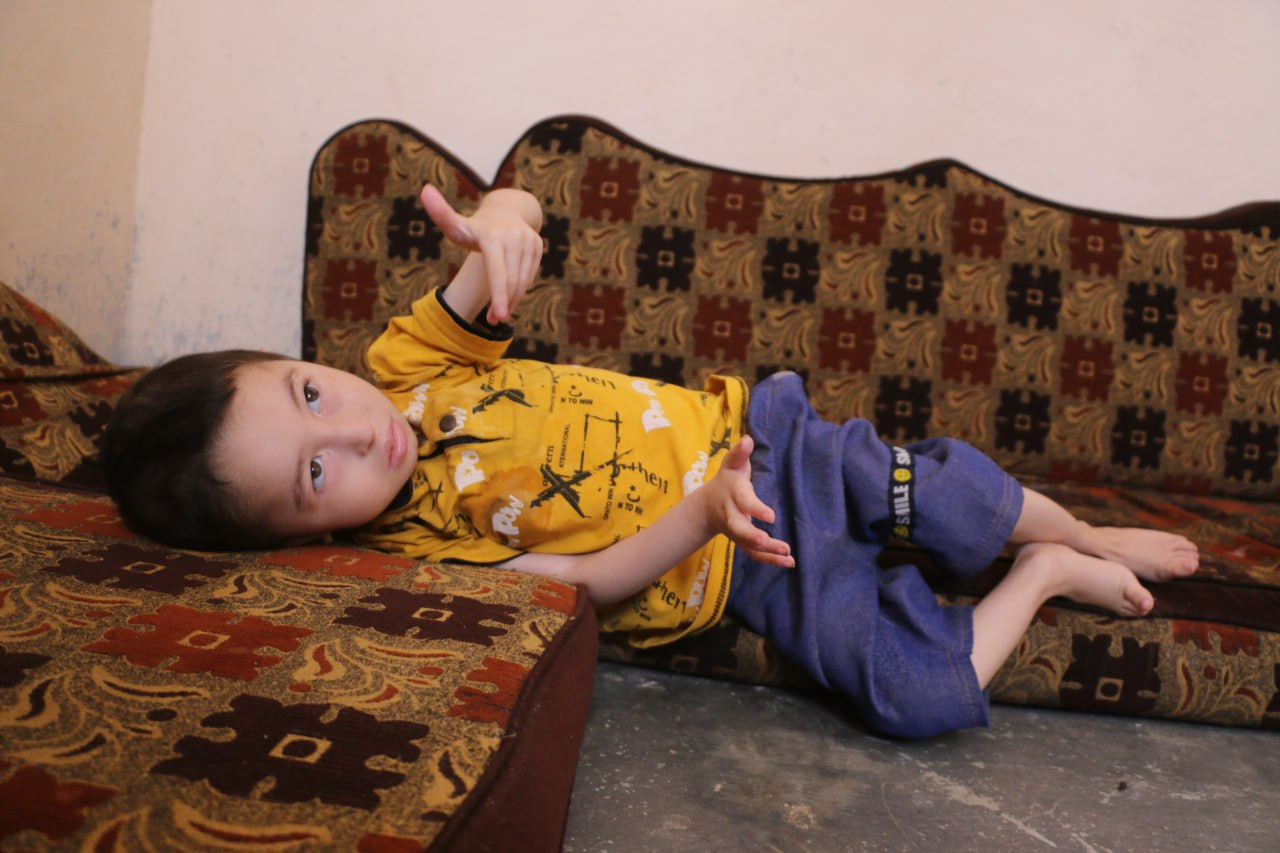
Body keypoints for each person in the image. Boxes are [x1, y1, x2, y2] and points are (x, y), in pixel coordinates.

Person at [104, 185, 1199, 738]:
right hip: (749, 570)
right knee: (915, 699)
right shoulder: (418, 562)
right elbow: (584, 582)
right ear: (301, 540)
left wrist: (501, 221)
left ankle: (1079, 532)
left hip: (772, 446)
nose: (352, 431)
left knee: (943, 493)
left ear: (304, 361)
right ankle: (1041, 573)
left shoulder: (408, 365)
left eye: (308, 392)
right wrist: (705, 515)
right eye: (314, 475)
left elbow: (518, 215)